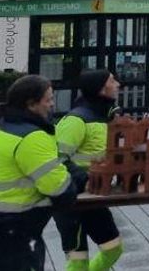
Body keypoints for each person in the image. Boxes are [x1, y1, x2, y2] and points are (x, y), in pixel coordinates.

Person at [0, 75, 87, 271]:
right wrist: (77, 182)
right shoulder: (32, 137)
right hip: (16, 229)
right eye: (48, 99)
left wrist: (76, 173)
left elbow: (57, 160)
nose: (52, 104)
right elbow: (60, 190)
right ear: (31, 104)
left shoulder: (7, 129)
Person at [53, 70, 123, 271]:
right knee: (78, 261)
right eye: (112, 81)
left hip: (93, 197)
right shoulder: (76, 120)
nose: (118, 84)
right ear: (101, 89)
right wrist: (85, 179)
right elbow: (57, 159)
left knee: (113, 249)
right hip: (71, 200)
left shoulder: (104, 118)